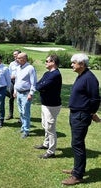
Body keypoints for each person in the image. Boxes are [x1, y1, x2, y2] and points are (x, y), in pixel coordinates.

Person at [62, 53, 100, 186]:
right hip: (75, 114)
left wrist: (91, 113)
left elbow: (95, 99)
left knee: (77, 144)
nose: (71, 65)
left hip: (81, 115)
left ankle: (77, 175)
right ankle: (77, 169)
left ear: (82, 64)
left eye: (74, 63)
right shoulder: (82, 76)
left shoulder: (90, 78)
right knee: (76, 143)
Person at [34, 55, 62, 159]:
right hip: (45, 104)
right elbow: (38, 85)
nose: (45, 63)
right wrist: (41, 87)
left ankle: (51, 151)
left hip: (52, 105)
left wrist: (41, 87)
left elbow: (41, 86)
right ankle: (46, 144)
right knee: (45, 125)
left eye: (47, 61)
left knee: (50, 128)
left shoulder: (55, 75)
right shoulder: (47, 73)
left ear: (53, 62)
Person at [13, 52, 37, 138]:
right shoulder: (18, 68)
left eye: (19, 58)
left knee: (25, 112)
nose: (17, 59)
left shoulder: (30, 68)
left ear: (24, 59)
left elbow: (33, 82)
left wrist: (31, 93)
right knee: (20, 112)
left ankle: (26, 130)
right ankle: (23, 127)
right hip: (19, 93)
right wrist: (15, 91)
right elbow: (17, 80)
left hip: (26, 93)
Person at [6, 50, 21, 120]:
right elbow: (9, 73)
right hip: (12, 82)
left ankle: (21, 116)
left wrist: (16, 76)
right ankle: (10, 114)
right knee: (11, 98)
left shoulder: (22, 64)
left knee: (20, 99)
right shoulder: (12, 64)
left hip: (19, 83)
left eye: (16, 54)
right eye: (14, 55)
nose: (14, 56)